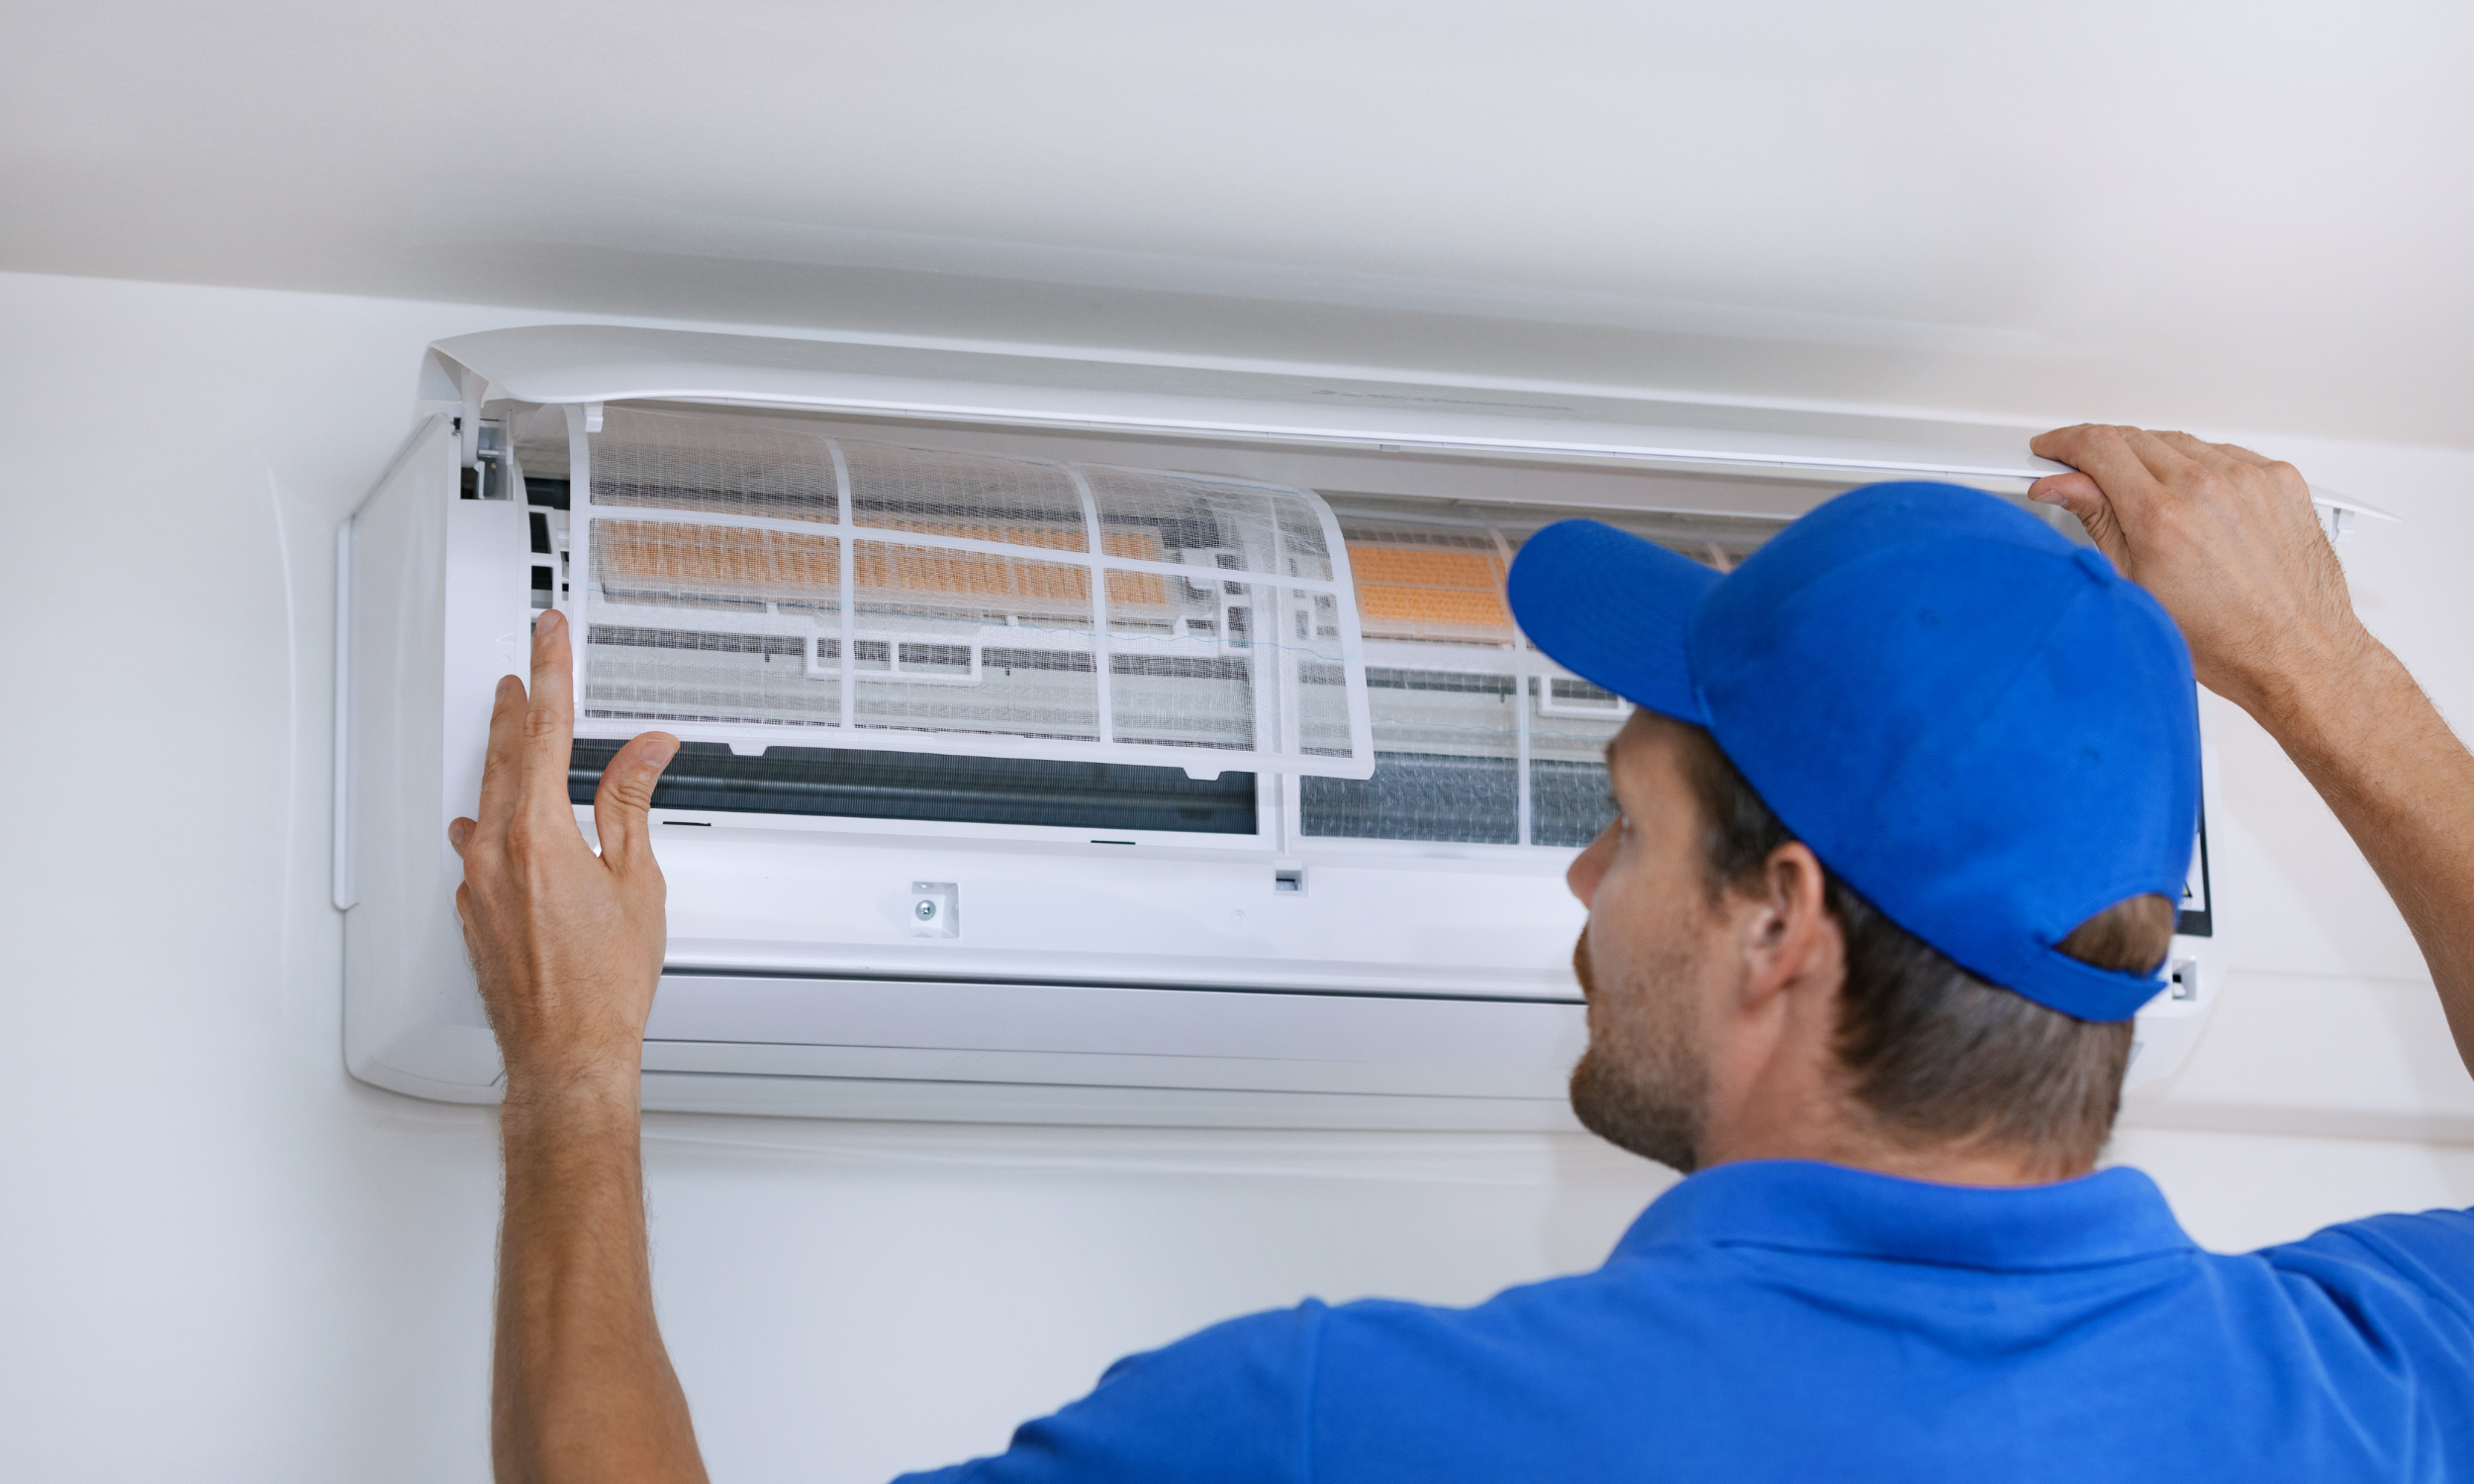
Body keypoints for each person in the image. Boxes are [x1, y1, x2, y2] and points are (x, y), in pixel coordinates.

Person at [447, 424, 2474, 1483]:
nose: (1580, 883)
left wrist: (572, 1076)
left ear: (1779, 925)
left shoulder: (1351, 1433)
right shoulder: (2369, 1397)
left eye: (1627, 825)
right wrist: (2321, 670)